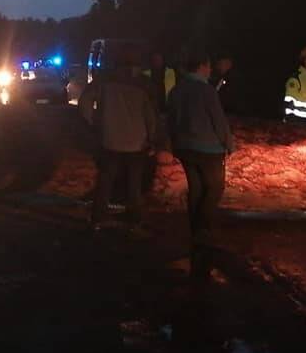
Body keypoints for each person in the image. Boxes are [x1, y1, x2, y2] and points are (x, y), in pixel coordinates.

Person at [168, 52, 236, 279]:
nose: (210, 71)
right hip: (209, 149)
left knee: (196, 189)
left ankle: (195, 230)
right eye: (208, 67)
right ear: (202, 67)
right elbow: (218, 120)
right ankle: (203, 231)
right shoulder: (207, 91)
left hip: (186, 148)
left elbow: (172, 120)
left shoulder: (176, 91)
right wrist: (230, 144)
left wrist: (175, 143)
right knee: (215, 188)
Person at [80, 51, 157, 229]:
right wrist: (151, 138)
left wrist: (94, 121)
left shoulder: (103, 82)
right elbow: (150, 116)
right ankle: (134, 220)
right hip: (137, 143)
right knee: (134, 183)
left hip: (109, 140)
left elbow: (84, 102)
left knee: (105, 181)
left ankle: (98, 218)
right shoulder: (143, 85)